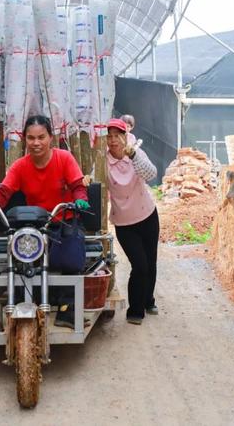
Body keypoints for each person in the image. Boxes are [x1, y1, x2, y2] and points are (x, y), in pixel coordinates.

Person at [0, 115, 90, 329]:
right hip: (36, 225)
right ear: (25, 139)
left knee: (71, 260)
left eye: (41, 137)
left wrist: (81, 200)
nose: (36, 143)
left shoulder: (64, 158)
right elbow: (3, 192)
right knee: (19, 259)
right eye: (31, 138)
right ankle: (16, 306)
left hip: (64, 220)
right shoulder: (20, 166)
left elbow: (78, 186)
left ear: (50, 138)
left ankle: (67, 311)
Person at [106, 118, 159, 325]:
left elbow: (151, 174)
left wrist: (134, 155)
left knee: (151, 262)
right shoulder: (104, 161)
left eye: (117, 135)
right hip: (124, 223)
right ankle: (135, 310)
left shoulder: (136, 153)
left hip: (147, 215)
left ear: (125, 136)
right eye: (109, 136)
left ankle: (148, 300)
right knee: (140, 265)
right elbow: (97, 182)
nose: (113, 141)